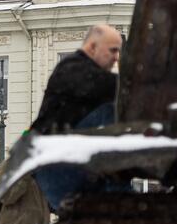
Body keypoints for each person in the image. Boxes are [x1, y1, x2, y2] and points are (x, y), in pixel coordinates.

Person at [31, 24, 124, 210]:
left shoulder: (80, 73)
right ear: (92, 47)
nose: (116, 58)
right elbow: (105, 85)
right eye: (113, 50)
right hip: (57, 165)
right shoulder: (71, 68)